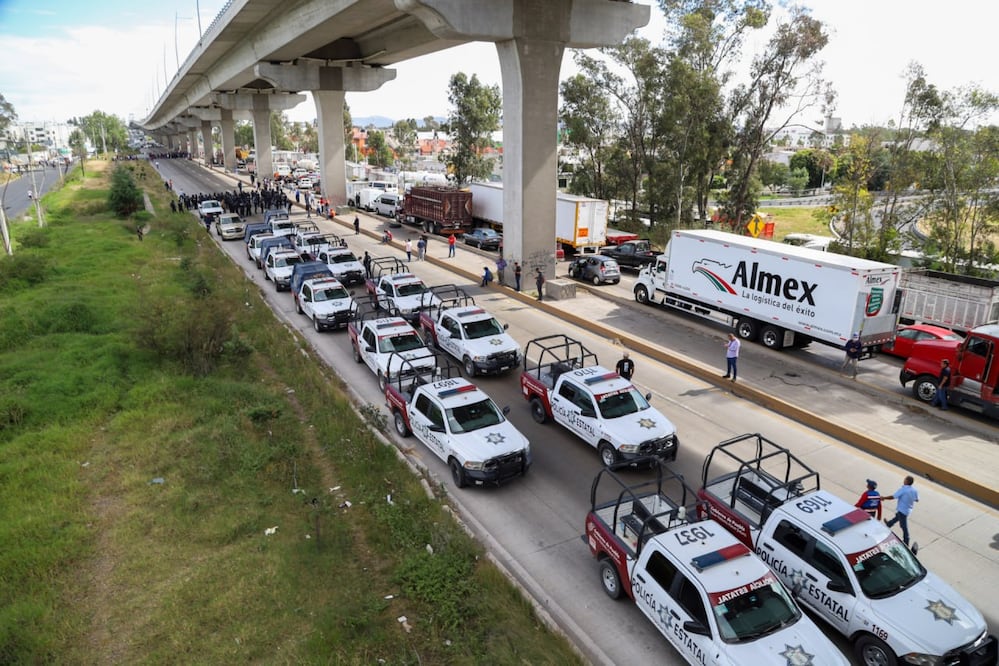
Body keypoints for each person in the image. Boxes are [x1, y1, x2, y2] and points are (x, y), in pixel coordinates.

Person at [884, 475, 919, 548]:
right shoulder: (914, 490)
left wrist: (884, 498)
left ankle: (906, 541)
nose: (904, 480)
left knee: (904, 526)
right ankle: (889, 523)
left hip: (902, 510)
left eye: (905, 479)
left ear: (907, 481)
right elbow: (916, 499)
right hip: (908, 510)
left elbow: (893, 497)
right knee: (897, 517)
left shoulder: (903, 490)